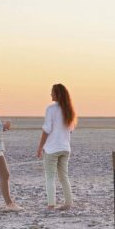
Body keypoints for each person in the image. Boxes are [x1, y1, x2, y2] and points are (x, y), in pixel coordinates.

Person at [36, 83, 76, 211]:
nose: (50, 94)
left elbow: (47, 129)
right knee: (64, 176)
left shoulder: (51, 109)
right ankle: (68, 203)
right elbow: (70, 130)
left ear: (57, 94)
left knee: (50, 176)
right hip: (65, 147)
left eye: (52, 92)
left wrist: (40, 147)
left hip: (52, 148)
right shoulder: (69, 110)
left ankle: (51, 205)